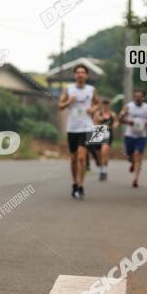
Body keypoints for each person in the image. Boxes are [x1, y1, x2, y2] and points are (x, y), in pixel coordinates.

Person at [58, 64, 100, 199]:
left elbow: (97, 103)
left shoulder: (91, 89)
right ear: (75, 75)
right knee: (74, 159)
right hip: (72, 128)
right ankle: (75, 183)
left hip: (86, 127)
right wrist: (69, 101)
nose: (80, 74)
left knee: (82, 158)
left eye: (83, 72)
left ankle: (81, 185)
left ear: (86, 75)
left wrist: (93, 109)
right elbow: (60, 106)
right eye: (78, 72)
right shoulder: (68, 89)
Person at [119, 89, 147, 188]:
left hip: (141, 136)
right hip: (129, 135)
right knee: (129, 156)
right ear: (134, 97)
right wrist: (128, 121)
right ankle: (132, 163)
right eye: (136, 96)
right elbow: (120, 119)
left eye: (140, 97)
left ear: (143, 97)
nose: (138, 98)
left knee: (138, 155)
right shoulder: (128, 106)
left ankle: (135, 179)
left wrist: (146, 123)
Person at [87, 98, 117, 181]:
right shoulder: (98, 114)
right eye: (104, 104)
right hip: (99, 131)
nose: (105, 105)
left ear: (109, 105)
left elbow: (116, 122)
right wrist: (98, 121)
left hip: (108, 132)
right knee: (98, 154)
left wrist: (114, 125)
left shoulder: (112, 114)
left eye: (107, 104)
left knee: (104, 152)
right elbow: (93, 123)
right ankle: (101, 169)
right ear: (102, 105)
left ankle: (104, 171)